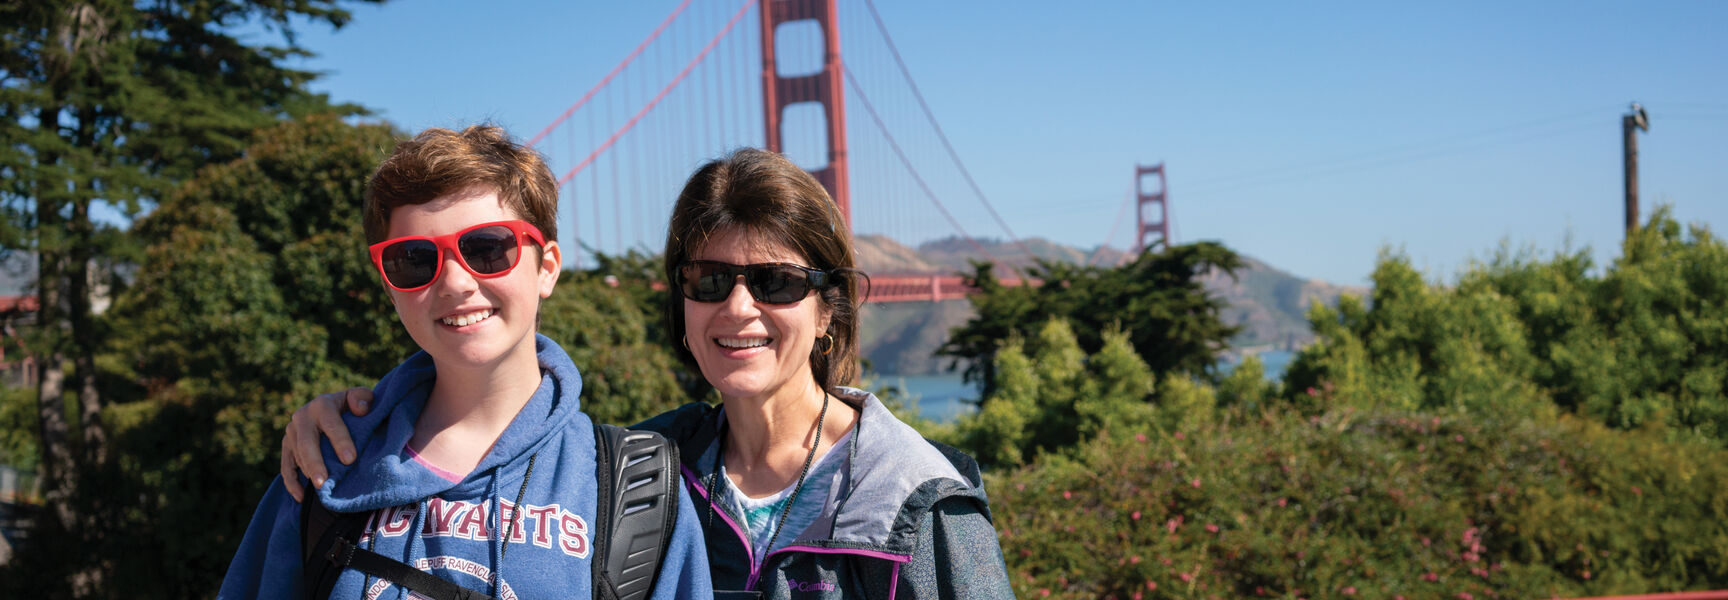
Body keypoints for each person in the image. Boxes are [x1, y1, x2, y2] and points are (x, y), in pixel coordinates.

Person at [281, 148, 1016, 598]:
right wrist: (360, 415)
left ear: (829, 311)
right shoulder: (646, 474)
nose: (738, 308)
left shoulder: (918, 503)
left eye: (777, 283)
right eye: (708, 281)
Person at [219, 126, 712, 600]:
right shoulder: (327, 461)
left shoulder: (636, 490)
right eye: (414, 259)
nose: (455, 282)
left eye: (487, 249)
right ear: (390, 287)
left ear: (548, 268)